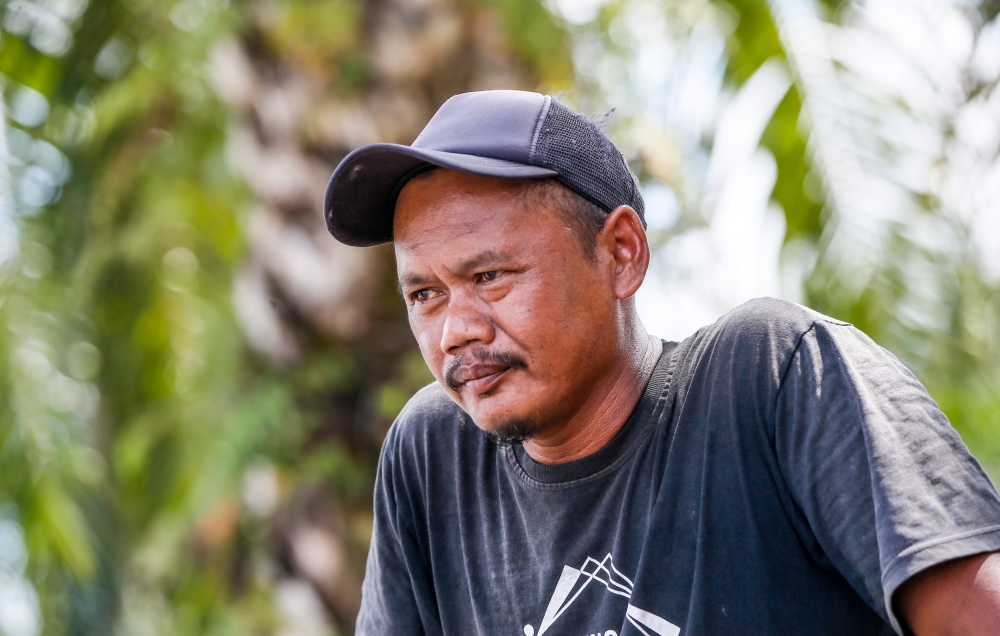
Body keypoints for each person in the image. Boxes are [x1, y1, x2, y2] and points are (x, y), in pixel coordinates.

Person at [322, 90, 1000, 635]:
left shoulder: (768, 378)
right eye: (425, 294)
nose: (455, 331)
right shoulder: (434, 456)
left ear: (621, 254)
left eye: (492, 275)